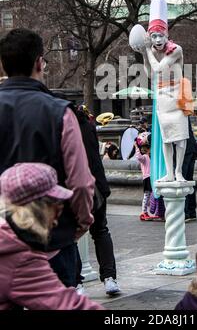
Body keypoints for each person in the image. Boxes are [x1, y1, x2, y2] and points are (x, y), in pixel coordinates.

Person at [0, 29, 95, 287]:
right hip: (53, 244)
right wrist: (81, 223)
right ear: (39, 62)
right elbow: (81, 182)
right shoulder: (60, 113)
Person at [0, 162, 103, 310]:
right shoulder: (17, 253)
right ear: (38, 208)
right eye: (57, 209)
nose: (56, 221)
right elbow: (67, 305)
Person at [138, 0, 193, 182]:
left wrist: (146, 51)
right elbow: (151, 74)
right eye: (153, 36)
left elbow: (159, 68)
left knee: (180, 137)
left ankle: (178, 171)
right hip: (162, 97)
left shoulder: (176, 49)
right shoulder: (152, 51)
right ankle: (170, 172)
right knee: (166, 137)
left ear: (167, 35)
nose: (158, 39)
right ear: (150, 37)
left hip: (177, 95)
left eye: (161, 35)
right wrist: (145, 55)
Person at [75, 105, 121, 296]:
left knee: (69, 236)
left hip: (77, 185)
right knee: (101, 230)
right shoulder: (88, 124)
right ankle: (110, 278)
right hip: (96, 185)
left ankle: (76, 282)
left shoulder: (64, 125)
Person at [134, 133, 158, 221]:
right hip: (147, 178)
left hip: (151, 177)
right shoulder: (144, 157)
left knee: (150, 195)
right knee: (147, 195)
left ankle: (149, 212)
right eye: (149, 149)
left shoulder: (151, 157)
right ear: (146, 149)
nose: (151, 150)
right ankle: (143, 212)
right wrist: (136, 147)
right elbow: (138, 157)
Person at [182, 117, 197, 222]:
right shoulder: (184, 111)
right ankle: (191, 212)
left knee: (183, 180)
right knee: (189, 181)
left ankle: (186, 212)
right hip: (191, 147)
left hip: (185, 149)